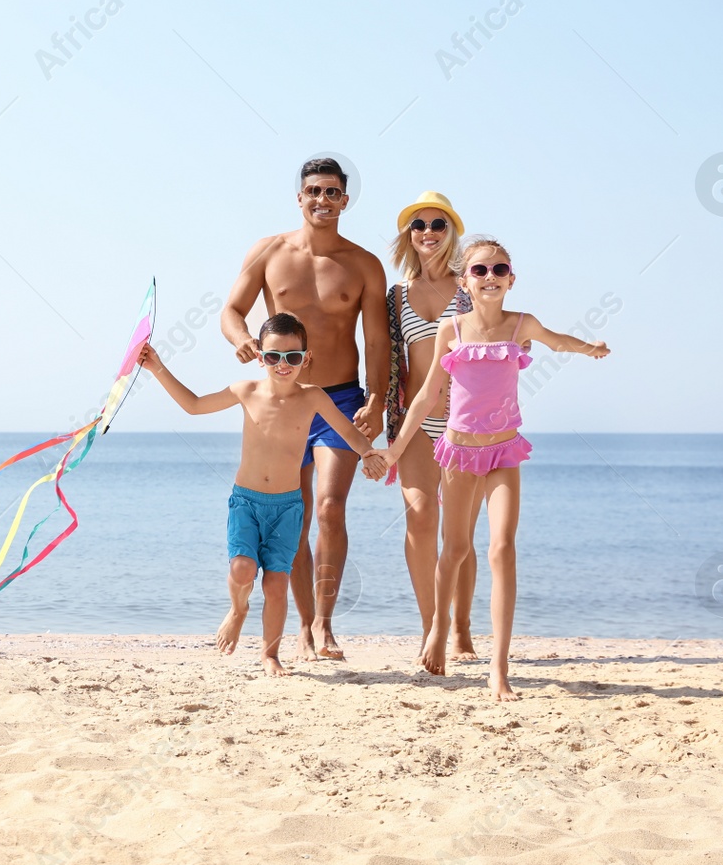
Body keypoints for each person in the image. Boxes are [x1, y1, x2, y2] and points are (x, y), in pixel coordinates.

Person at [379, 236, 609, 700]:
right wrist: (397, 448)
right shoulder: (454, 330)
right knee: (455, 550)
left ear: (511, 279)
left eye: (498, 269)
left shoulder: (522, 324)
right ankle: (439, 630)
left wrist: (589, 347)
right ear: (465, 280)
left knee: (502, 549)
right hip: (459, 454)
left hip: (503, 453)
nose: (490, 277)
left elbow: (558, 341)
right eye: (480, 271)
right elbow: (425, 397)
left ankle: (498, 668)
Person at [139, 313, 386, 676]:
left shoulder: (313, 397)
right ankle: (238, 610)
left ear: (307, 357)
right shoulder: (246, 391)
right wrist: (157, 367)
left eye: (292, 357)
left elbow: (347, 432)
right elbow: (193, 405)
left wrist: (368, 453)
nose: (283, 365)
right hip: (247, 502)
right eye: (273, 356)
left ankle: (270, 654)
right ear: (260, 357)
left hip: (287, 508)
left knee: (275, 583)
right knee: (242, 570)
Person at [221, 158, 389, 662]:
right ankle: (299, 625)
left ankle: (323, 622)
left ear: (345, 200)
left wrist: (377, 400)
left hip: (339, 398)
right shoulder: (269, 251)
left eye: (332, 192)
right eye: (313, 190)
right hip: (284, 399)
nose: (322, 199)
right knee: (290, 518)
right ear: (300, 197)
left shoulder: (363, 265)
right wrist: (243, 339)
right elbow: (231, 310)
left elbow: (377, 340)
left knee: (329, 508)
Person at [385, 192, 484, 662]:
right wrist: (380, 410)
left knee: (458, 534)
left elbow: (495, 346)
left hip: (465, 422)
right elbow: (389, 360)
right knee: (421, 520)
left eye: (438, 224)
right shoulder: (396, 295)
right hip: (414, 420)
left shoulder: (473, 287)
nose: (427, 232)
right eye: (418, 224)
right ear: (409, 234)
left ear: (451, 232)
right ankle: (432, 627)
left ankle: (462, 628)